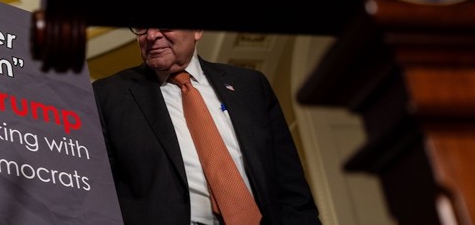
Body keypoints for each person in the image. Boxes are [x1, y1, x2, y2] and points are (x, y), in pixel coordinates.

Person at [93, 28, 320, 225]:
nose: (151, 36)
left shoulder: (250, 85)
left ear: (197, 31)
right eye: (142, 27)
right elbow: (95, 195)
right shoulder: (108, 96)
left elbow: (292, 192)